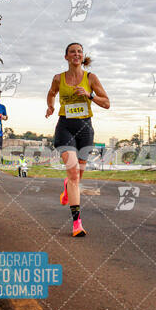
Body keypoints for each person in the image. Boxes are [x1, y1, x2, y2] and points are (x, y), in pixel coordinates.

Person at [45, 43, 110, 237]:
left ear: (82, 57)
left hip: (85, 129)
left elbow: (106, 102)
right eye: (72, 51)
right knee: (73, 171)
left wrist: (90, 96)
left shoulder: (91, 78)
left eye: (79, 51)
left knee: (77, 176)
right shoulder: (59, 78)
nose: (76, 54)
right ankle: (77, 223)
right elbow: (51, 93)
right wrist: (50, 106)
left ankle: (67, 187)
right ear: (66, 57)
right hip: (65, 126)